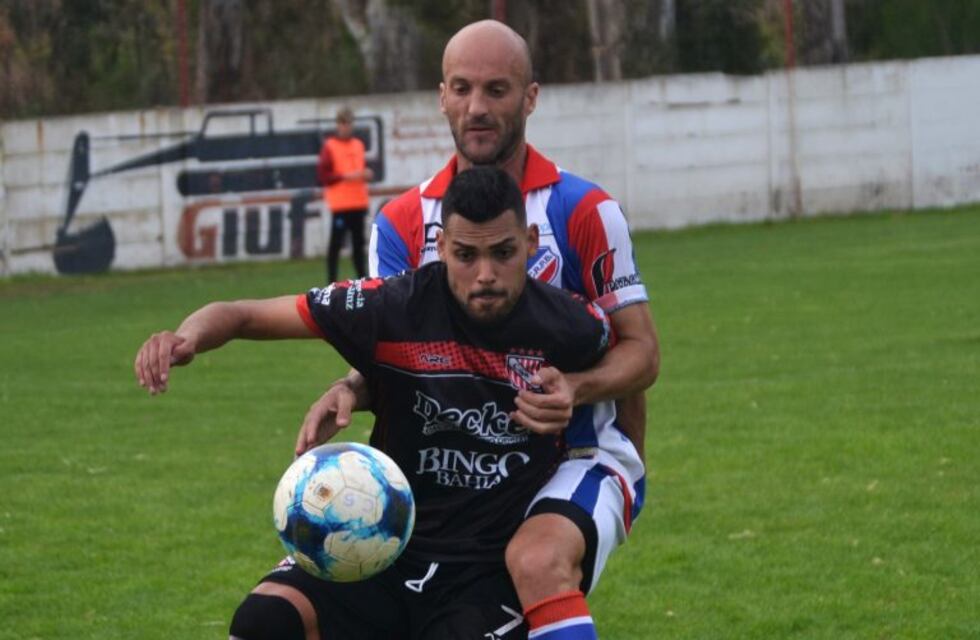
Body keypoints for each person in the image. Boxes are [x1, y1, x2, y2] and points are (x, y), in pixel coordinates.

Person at [134, 167, 621, 640]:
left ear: (531, 243)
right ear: (441, 249)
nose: (486, 274)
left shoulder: (571, 326)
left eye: (504, 252)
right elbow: (242, 314)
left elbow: (635, 361)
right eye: (466, 255)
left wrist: (579, 387)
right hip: (382, 545)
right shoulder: (393, 306)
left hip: (485, 569)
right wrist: (185, 338)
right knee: (264, 621)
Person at [299, 19, 660, 639]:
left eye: (497, 90)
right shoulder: (402, 222)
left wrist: (574, 387)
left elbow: (643, 354)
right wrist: (351, 389)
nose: (477, 108)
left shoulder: (585, 211)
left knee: (538, 560)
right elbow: (395, 352)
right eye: (462, 89)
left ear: (530, 97)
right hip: (455, 469)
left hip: (579, 454)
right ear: (441, 96)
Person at [317, 105, 373, 282]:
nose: (346, 126)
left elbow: (359, 170)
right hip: (340, 205)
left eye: (348, 123)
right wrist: (346, 176)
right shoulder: (330, 147)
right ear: (337, 125)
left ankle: (364, 282)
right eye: (342, 123)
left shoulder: (358, 145)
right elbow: (323, 176)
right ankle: (331, 282)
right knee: (335, 246)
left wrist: (365, 174)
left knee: (358, 247)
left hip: (358, 203)